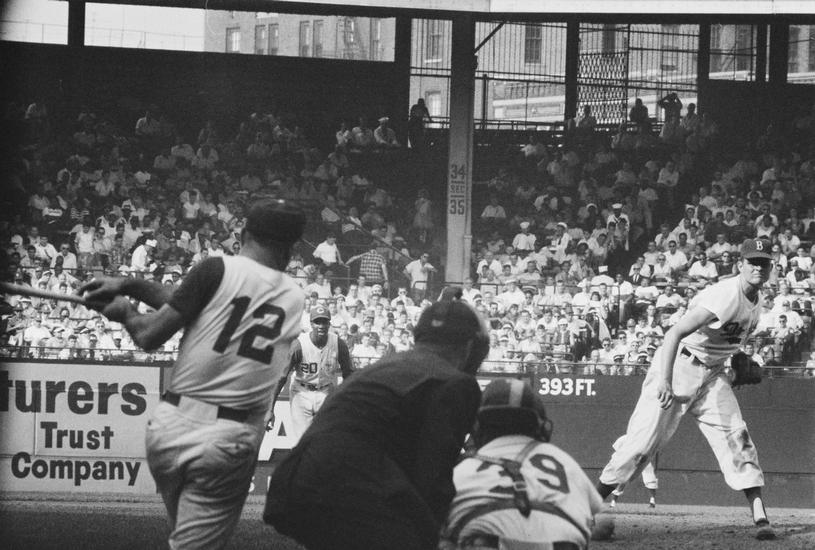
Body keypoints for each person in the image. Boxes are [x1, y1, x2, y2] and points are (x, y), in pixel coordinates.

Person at [79, 199, 307, 550]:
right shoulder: (293, 297)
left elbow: (150, 333)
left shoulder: (216, 269)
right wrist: (128, 287)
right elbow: (198, 303)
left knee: (186, 540)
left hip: (169, 428)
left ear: (243, 233)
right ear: (291, 246)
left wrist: (125, 311)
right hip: (227, 439)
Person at [263, 299, 489, 550]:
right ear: (471, 347)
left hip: (292, 485)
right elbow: (434, 480)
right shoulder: (455, 382)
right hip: (348, 486)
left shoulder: (383, 367)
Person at [596, 238, 777, 541]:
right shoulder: (725, 295)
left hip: (713, 374)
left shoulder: (757, 302)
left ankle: (760, 516)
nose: (758, 267)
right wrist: (665, 381)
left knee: (737, 436)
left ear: (771, 268)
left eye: (763, 263)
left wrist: (740, 363)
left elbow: (728, 343)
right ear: (740, 265)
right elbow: (674, 333)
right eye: (752, 262)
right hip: (679, 365)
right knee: (641, 445)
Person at [440, 379, 605, 550]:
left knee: (442, 533)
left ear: (478, 426)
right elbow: (594, 509)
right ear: (541, 426)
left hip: (482, 538)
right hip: (561, 544)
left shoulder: (463, 470)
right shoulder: (566, 464)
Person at [273, 304, 354, 440]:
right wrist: (270, 409)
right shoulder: (299, 345)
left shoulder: (338, 344)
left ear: (329, 324)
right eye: (317, 322)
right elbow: (281, 377)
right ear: (311, 324)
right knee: (302, 441)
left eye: (324, 322)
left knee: (324, 440)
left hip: (326, 391)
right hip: (301, 392)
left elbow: (349, 375)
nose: (321, 326)